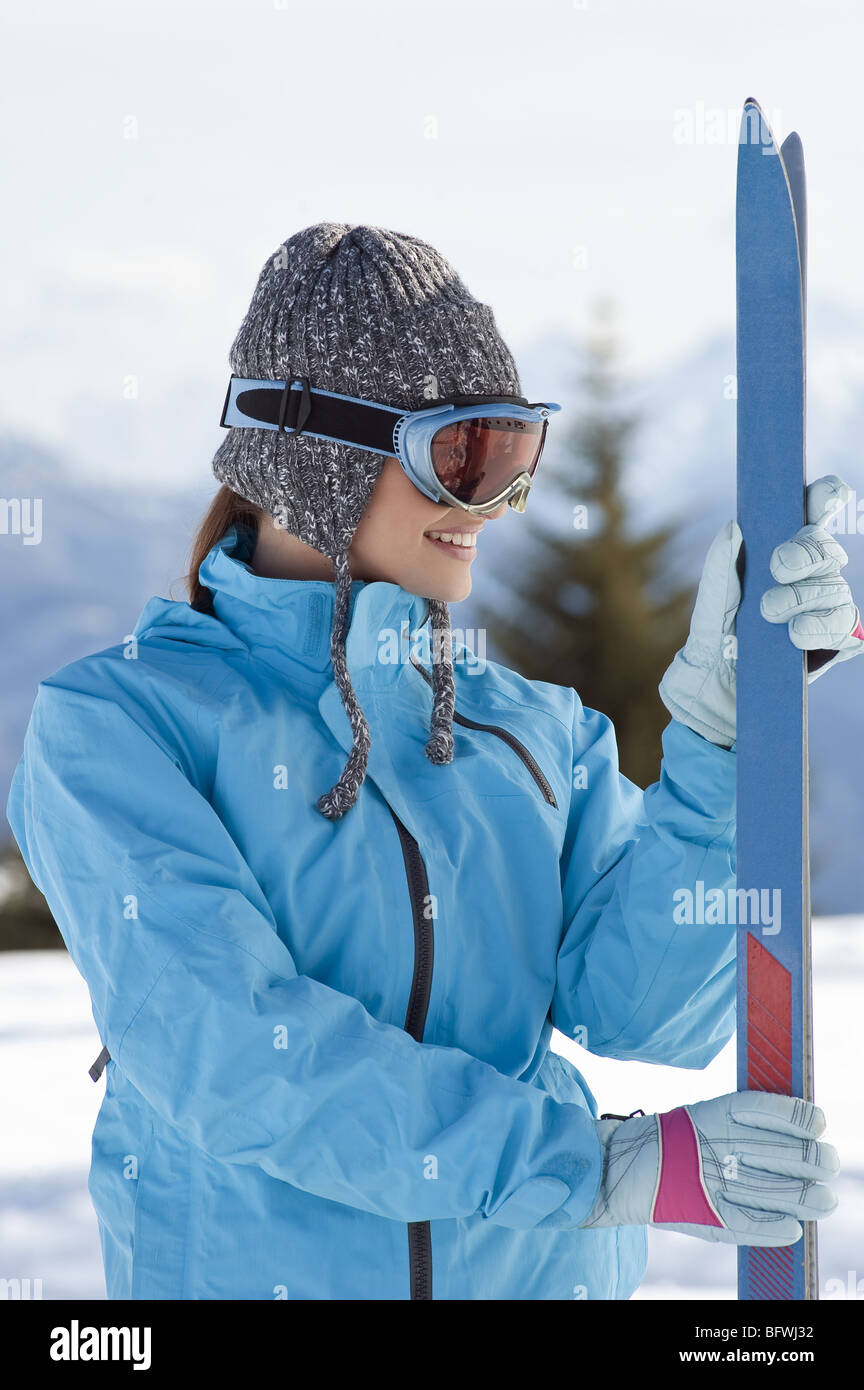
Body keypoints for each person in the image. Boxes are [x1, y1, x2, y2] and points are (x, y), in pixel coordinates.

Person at [7, 224, 860, 1301]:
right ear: (316, 456)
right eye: (464, 456)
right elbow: (231, 1054)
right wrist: (584, 1169)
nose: (492, 509)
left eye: (517, 459)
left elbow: (652, 1011)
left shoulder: (532, 731)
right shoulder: (121, 726)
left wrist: (727, 746)